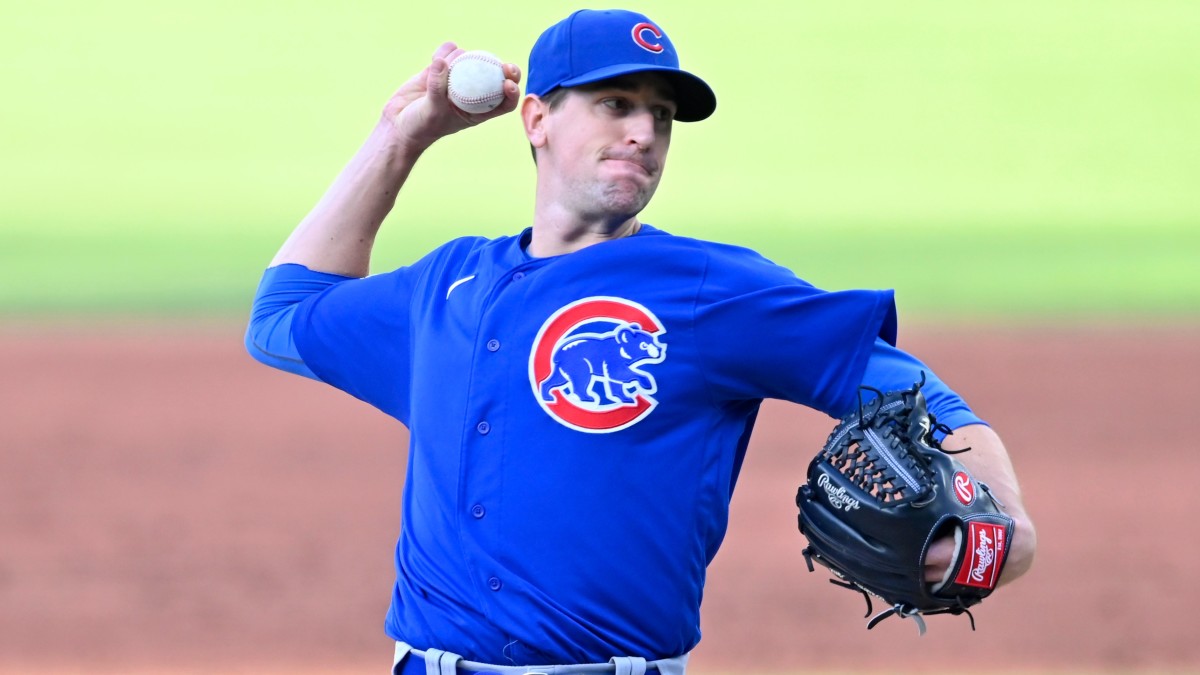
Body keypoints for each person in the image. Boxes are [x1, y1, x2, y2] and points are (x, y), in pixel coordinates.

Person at [246, 8, 1036, 675]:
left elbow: (919, 395)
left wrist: (1006, 525)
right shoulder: (445, 285)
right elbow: (284, 315)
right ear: (538, 119)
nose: (643, 132)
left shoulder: (706, 286)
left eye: (660, 116)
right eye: (616, 103)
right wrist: (401, 135)